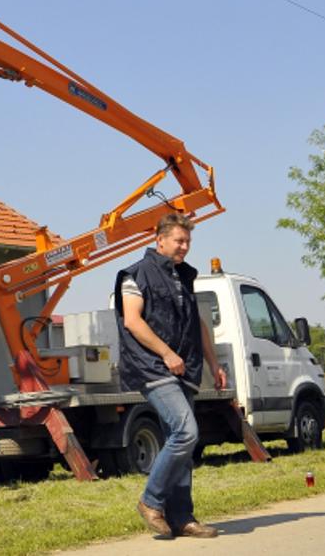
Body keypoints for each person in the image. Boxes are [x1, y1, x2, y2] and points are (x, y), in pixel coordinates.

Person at [116, 212, 228, 540]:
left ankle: (182, 518)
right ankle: (151, 501)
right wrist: (166, 353)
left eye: (188, 241)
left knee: (178, 443)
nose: (184, 247)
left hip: (184, 368)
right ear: (159, 239)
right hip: (152, 367)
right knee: (185, 432)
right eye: (179, 240)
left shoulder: (184, 277)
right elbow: (133, 322)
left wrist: (214, 363)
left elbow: (199, 325)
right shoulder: (135, 274)